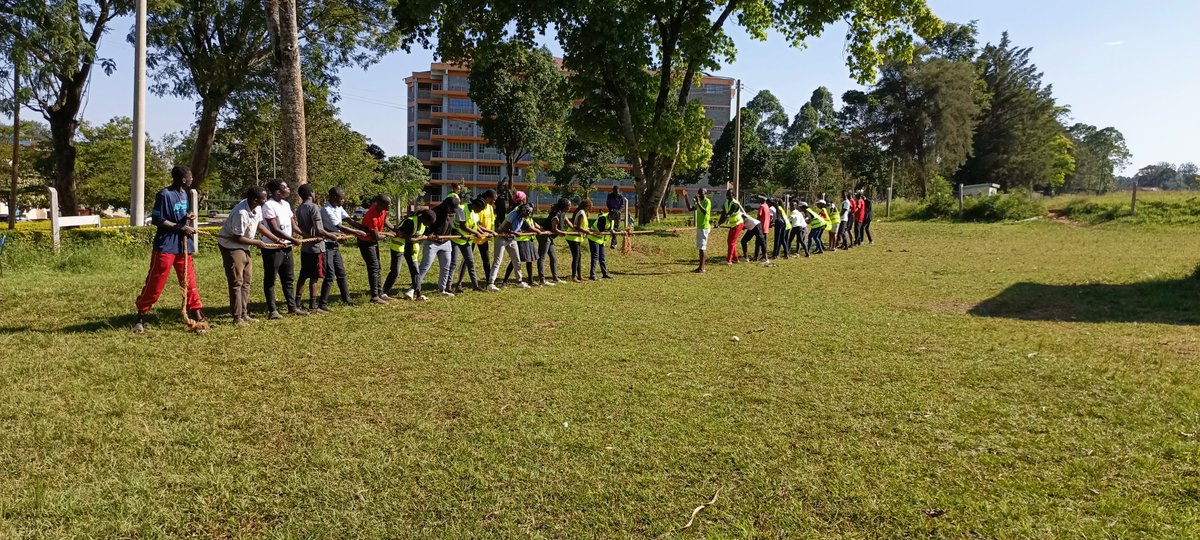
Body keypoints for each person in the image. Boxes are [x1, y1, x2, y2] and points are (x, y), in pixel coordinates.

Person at [133, 165, 206, 333]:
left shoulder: (184, 194)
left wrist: (187, 217)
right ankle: (140, 317)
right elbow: (158, 219)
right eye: (190, 177)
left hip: (183, 245)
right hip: (166, 245)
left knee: (189, 282)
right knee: (155, 283)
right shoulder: (164, 195)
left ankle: (197, 316)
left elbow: (180, 214)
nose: (192, 179)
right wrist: (180, 228)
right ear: (183, 179)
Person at [216, 186, 283, 326]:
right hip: (232, 246)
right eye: (263, 198)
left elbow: (259, 225)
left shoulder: (257, 208)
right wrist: (257, 242)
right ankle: (237, 318)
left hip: (245, 246)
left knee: (246, 281)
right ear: (254, 199)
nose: (265, 200)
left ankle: (244, 314)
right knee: (236, 282)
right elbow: (237, 237)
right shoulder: (241, 213)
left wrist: (275, 239)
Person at [294, 184, 343, 313]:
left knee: (303, 275)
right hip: (316, 248)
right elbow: (319, 229)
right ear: (311, 194)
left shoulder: (299, 208)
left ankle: (297, 303)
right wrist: (332, 235)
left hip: (305, 247)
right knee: (314, 277)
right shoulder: (314, 207)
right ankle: (313, 305)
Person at [260, 180, 306, 319]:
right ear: (277, 191)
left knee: (288, 278)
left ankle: (292, 307)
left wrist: (307, 235)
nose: (288, 189)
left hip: (287, 247)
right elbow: (274, 228)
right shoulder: (268, 205)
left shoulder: (286, 204)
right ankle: (273, 310)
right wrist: (292, 239)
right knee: (271, 279)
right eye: (285, 187)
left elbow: (293, 226)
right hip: (273, 248)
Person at [319, 187, 363, 309]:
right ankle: (322, 303)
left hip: (335, 245)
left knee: (341, 272)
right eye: (341, 198)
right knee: (330, 275)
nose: (343, 200)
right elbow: (340, 226)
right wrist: (357, 232)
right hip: (327, 245)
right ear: (334, 198)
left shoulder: (338, 207)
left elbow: (348, 220)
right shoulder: (326, 210)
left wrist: (363, 228)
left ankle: (346, 299)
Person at [415, 195, 459, 297]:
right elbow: (425, 227)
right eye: (451, 209)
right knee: (425, 266)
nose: (452, 211)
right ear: (446, 205)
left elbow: (450, 227)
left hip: (446, 242)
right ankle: (414, 289)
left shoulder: (451, 213)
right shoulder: (435, 212)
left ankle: (442, 290)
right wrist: (428, 234)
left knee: (446, 267)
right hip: (432, 243)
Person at [486, 202, 534, 290]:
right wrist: (515, 233)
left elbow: (525, 227)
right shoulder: (514, 214)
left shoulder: (522, 217)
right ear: (523, 211)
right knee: (498, 261)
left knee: (516, 260)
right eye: (527, 213)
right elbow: (504, 228)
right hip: (502, 238)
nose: (527, 215)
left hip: (511, 239)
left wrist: (536, 231)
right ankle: (491, 283)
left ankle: (519, 281)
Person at [353, 195, 391, 304]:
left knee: (378, 267)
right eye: (387, 204)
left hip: (372, 241)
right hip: (366, 242)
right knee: (373, 268)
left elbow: (385, 219)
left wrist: (394, 229)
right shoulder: (372, 215)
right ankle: (374, 297)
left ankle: (380, 293)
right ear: (380, 204)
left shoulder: (381, 209)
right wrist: (387, 235)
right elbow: (376, 237)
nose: (390, 206)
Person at [451, 198, 489, 293]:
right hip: (456, 239)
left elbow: (476, 225)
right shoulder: (462, 209)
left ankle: (475, 286)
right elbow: (463, 226)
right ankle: (448, 287)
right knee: (453, 264)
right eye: (479, 209)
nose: (479, 212)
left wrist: (486, 232)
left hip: (466, 241)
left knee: (470, 263)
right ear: (476, 205)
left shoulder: (474, 212)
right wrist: (477, 233)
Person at [396, 209, 432, 301]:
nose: (428, 225)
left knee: (415, 272)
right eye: (428, 222)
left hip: (412, 250)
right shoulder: (411, 222)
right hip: (401, 247)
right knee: (397, 272)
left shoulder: (422, 224)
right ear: (424, 218)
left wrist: (421, 237)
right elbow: (408, 239)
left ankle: (418, 294)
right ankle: (384, 292)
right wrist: (421, 238)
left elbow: (416, 237)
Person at [537, 198, 571, 285]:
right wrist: (562, 233)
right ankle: (542, 280)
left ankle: (555, 278)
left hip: (550, 237)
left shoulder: (562, 213)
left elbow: (567, 222)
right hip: (544, 235)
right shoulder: (556, 214)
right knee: (542, 257)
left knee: (553, 257)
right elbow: (554, 229)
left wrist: (574, 228)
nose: (570, 207)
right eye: (569, 206)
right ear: (564, 206)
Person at [682, 188, 712, 273]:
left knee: (702, 247)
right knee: (700, 247)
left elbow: (705, 212)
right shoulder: (700, 202)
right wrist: (686, 197)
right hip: (700, 227)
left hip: (704, 227)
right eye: (698, 193)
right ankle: (700, 267)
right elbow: (690, 208)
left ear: (705, 193)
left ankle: (702, 268)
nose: (699, 194)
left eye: (701, 193)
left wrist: (698, 202)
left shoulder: (707, 201)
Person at [564, 198, 592, 283]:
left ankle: (579, 276)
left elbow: (582, 226)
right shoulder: (581, 213)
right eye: (591, 206)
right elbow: (578, 227)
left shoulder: (583, 213)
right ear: (587, 206)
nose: (591, 207)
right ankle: (574, 276)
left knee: (579, 256)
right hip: (573, 237)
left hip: (577, 237)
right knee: (576, 257)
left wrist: (587, 229)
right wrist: (586, 231)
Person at [715, 190, 745, 264]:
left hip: (738, 224)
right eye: (727, 193)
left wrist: (727, 215)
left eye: (730, 194)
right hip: (733, 225)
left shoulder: (735, 204)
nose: (728, 195)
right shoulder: (726, 203)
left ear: (733, 195)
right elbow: (723, 215)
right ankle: (735, 259)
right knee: (730, 242)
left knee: (731, 242)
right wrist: (719, 223)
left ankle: (729, 260)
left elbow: (730, 212)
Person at [588, 208, 618, 280]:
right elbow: (601, 229)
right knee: (595, 257)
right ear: (610, 214)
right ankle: (592, 275)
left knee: (602, 257)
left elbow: (611, 229)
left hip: (601, 240)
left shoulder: (612, 220)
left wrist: (614, 240)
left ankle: (605, 274)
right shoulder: (603, 218)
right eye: (612, 217)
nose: (613, 219)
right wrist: (610, 231)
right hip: (594, 238)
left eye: (614, 218)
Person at [477, 189, 498, 274]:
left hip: (484, 237)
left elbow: (492, 221)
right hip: (474, 237)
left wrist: (490, 232)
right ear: (488, 198)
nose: (494, 201)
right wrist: (489, 232)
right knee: (467, 261)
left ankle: (488, 281)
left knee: (486, 260)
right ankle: (459, 283)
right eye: (493, 199)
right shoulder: (479, 206)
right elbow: (476, 224)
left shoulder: (490, 207)